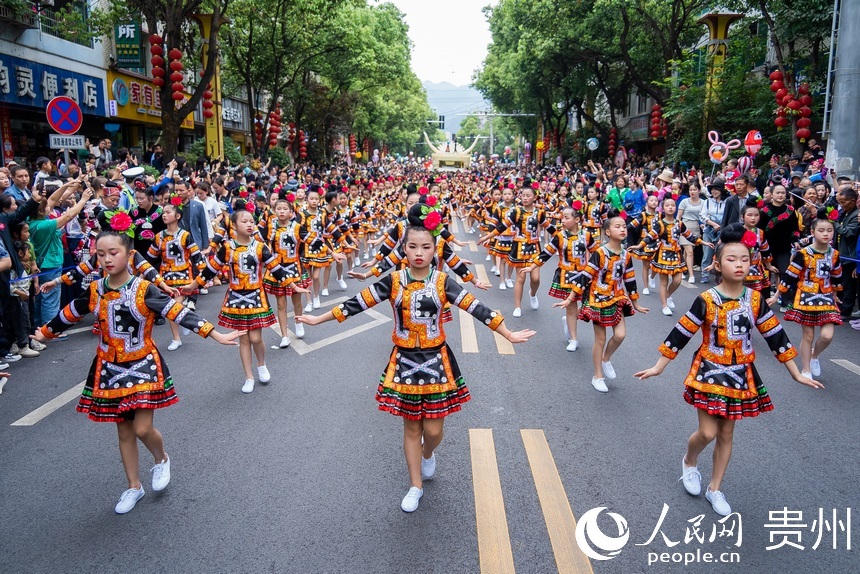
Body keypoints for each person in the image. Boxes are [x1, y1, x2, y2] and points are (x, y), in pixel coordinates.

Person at [296, 215, 534, 513]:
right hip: (404, 361)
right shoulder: (394, 281)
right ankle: (415, 485)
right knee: (411, 428)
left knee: (433, 431)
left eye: (425, 247)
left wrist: (507, 332)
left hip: (436, 361)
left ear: (435, 251)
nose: (419, 252)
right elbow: (357, 303)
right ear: (404, 250)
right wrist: (319, 319)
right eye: (412, 246)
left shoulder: (443, 281)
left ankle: (428, 453)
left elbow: (476, 307)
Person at [31, 225, 241, 514]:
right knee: (124, 430)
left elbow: (176, 311)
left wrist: (214, 334)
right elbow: (71, 313)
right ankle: (133, 486)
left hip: (143, 364)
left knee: (142, 427)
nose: (106, 259)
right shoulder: (95, 289)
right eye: (101, 254)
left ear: (129, 255)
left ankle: (161, 458)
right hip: (109, 368)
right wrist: (45, 332)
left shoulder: (144, 289)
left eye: (113, 253)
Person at [635, 223, 823, 517]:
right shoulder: (707, 299)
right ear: (718, 264)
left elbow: (775, 335)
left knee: (726, 434)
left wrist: (796, 372)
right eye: (732, 259)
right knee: (708, 432)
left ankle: (715, 488)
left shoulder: (756, 299)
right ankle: (689, 461)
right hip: (709, 370)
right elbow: (682, 332)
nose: (739, 264)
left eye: (745, 259)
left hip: (741, 373)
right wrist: (659, 366)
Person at [182, 206, 293, 394]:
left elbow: (276, 268)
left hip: (257, 297)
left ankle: (261, 364)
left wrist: (293, 285)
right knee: (243, 339)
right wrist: (194, 286)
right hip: (236, 299)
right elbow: (211, 269)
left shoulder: (259, 247)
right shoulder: (227, 247)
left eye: (251, 221)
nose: (249, 224)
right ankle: (249, 376)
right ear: (234, 225)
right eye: (245, 221)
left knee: (256, 338)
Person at [571, 210, 649, 392]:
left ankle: (606, 359)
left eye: (624, 226)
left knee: (620, 335)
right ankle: (597, 376)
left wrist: (636, 302)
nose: (623, 229)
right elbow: (586, 275)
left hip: (617, 297)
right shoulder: (600, 252)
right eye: (617, 226)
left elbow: (629, 278)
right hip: (597, 298)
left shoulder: (625, 254)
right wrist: (569, 298)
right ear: (607, 231)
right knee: (600, 338)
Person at [769, 209, 842, 378]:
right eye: (821, 230)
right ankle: (806, 368)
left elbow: (837, 275)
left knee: (827, 335)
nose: (826, 234)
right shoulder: (803, 254)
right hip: (806, 297)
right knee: (808, 335)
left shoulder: (834, 254)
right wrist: (776, 295)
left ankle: (815, 355)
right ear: (812, 232)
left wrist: (837, 294)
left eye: (829, 231)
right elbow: (790, 276)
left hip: (826, 297)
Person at [521, 204, 595, 351]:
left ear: (577, 219)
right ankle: (573, 339)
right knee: (571, 306)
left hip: (585, 276)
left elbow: (596, 253)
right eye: (562, 217)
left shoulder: (586, 236)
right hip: (567, 276)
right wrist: (533, 266)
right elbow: (546, 253)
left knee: (589, 304)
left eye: (566, 218)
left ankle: (568, 320)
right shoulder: (560, 237)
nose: (562, 220)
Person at [148, 201, 204, 351]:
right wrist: (142, 273)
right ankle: (181, 328)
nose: (164, 215)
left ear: (177, 216)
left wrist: (204, 276)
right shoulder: (158, 237)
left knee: (173, 307)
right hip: (165, 279)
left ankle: (178, 335)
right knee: (170, 308)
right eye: (163, 213)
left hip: (184, 277)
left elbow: (196, 256)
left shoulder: (185, 236)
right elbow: (150, 258)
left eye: (168, 212)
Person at [833, 186, 859, 319]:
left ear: (853, 201)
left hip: (851, 255)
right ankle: (841, 307)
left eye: (844, 202)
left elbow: (849, 233)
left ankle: (846, 311)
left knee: (849, 285)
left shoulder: (856, 215)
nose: (841, 205)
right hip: (841, 253)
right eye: (840, 202)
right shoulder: (845, 213)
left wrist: (835, 224)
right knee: (841, 282)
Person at [677, 182, 704, 284]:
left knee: (687, 251)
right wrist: (678, 227)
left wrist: (702, 224)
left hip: (696, 227)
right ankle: (691, 275)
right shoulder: (684, 202)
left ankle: (683, 268)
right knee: (689, 252)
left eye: (694, 189)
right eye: (691, 190)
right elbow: (678, 217)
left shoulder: (703, 202)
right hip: (685, 226)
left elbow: (704, 216)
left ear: (699, 191)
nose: (692, 192)